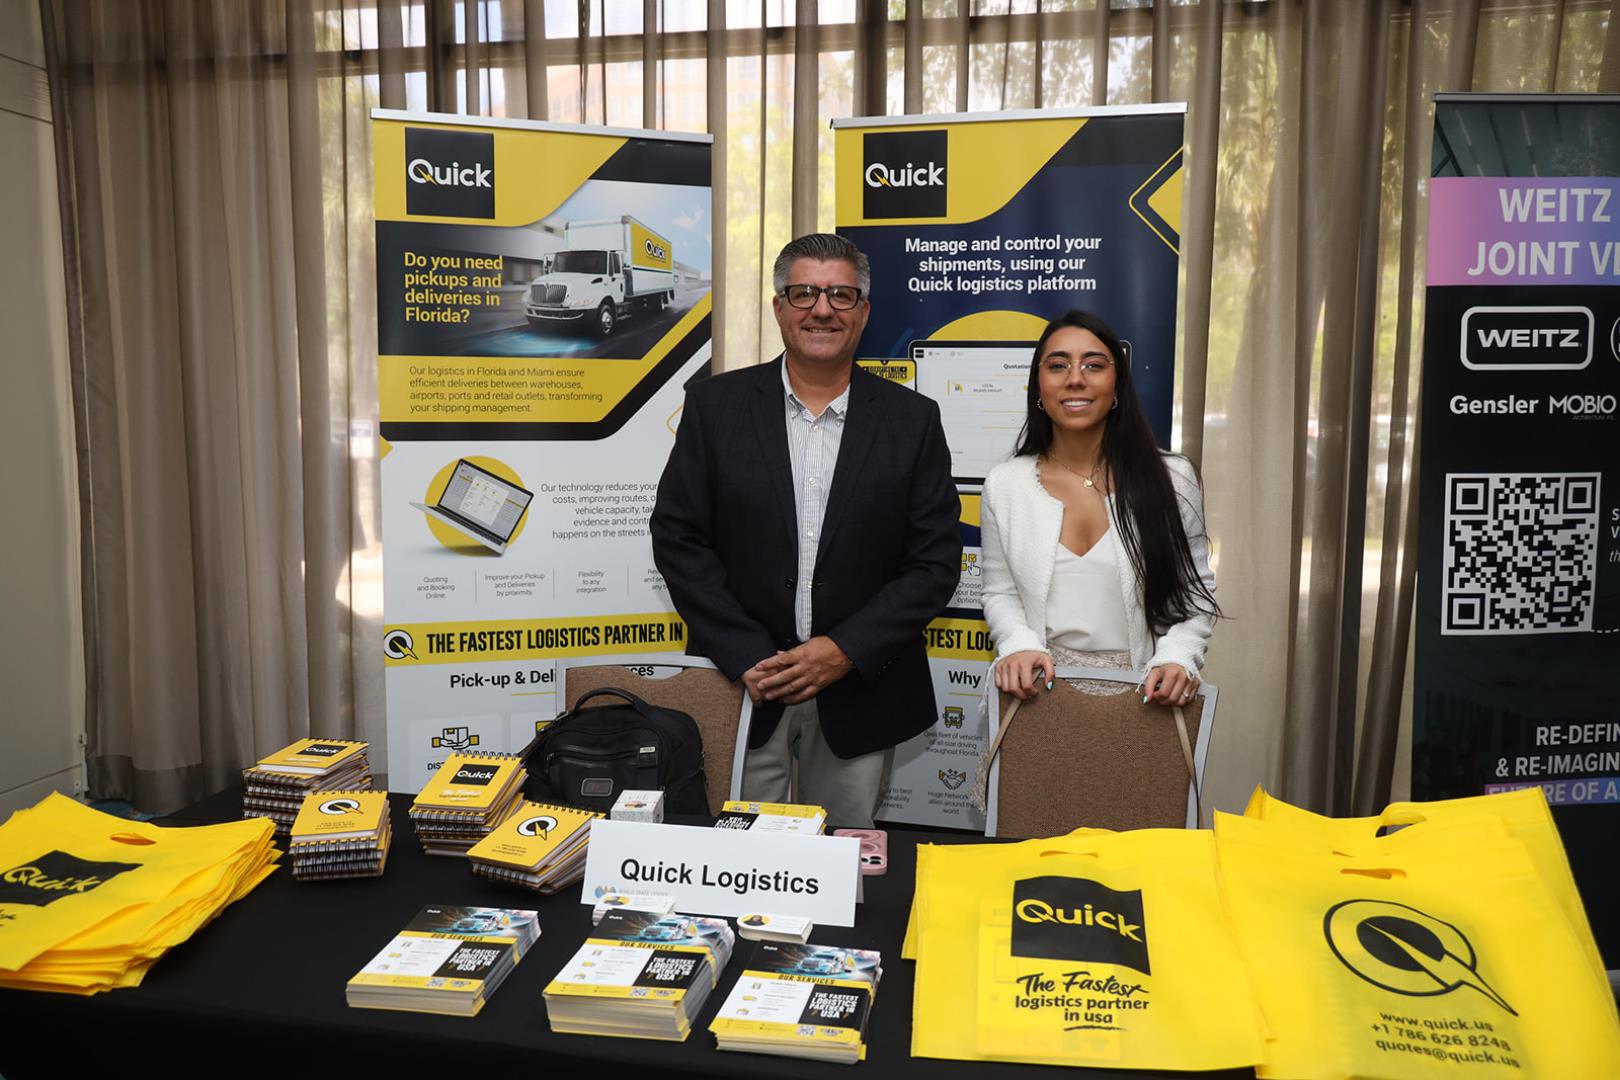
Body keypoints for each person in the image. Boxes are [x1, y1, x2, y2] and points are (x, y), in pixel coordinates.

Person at [649, 233, 961, 828]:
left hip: (861, 689)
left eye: (841, 295)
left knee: (844, 859)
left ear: (864, 311)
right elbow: (678, 538)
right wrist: (746, 653)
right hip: (744, 685)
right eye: (804, 294)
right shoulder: (715, 406)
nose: (822, 310)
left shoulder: (912, 420)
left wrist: (844, 651)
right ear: (779, 307)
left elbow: (934, 562)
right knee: (738, 857)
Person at [980, 309, 1218, 706]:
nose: (1075, 378)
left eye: (1094, 365)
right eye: (1058, 365)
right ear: (1038, 385)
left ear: (1117, 384)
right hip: (1036, 695)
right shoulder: (1005, 484)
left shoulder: (1173, 479)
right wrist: (1017, 644)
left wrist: (1178, 657)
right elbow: (1000, 592)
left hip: (1145, 699)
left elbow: (1195, 596)